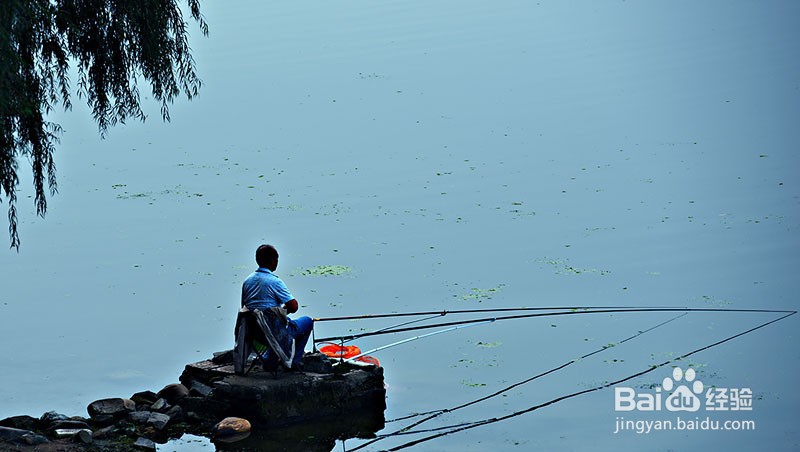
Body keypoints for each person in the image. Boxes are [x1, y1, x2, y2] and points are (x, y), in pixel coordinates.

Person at [241, 244, 314, 369]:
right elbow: (294, 306)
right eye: (277, 259)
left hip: (254, 333)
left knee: (272, 323)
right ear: (273, 260)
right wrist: (284, 309)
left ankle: (270, 360)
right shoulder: (274, 281)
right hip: (273, 332)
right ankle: (293, 363)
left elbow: (244, 306)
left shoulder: (247, 281)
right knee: (307, 321)